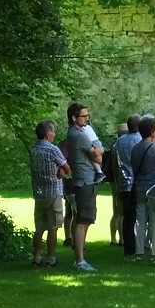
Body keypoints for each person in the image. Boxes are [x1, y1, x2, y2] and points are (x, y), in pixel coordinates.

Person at [64, 102, 103, 272]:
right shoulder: (79, 135)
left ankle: (79, 257)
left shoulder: (75, 133)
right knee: (83, 220)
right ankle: (80, 260)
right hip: (85, 181)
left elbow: (97, 153)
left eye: (87, 115)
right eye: (83, 116)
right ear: (74, 118)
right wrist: (98, 152)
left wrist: (98, 152)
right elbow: (98, 157)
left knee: (81, 218)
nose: (87, 119)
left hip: (83, 180)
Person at [30, 120, 70, 267]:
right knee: (53, 227)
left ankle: (37, 257)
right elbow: (66, 167)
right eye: (53, 132)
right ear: (48, 134)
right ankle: (51, 258)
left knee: (39, 228)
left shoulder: (33, 149)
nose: (54, 134)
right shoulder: (53, 149)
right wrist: (61, 171)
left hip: (38, 193)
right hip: (53, 192)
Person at [130, 115, 155, 263]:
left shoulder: (135, 149)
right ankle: (153, 252)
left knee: (140, 220)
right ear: (152, 131)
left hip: (139, 186)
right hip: (154, 189)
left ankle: (138, 252)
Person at [116, 114, 142, 257]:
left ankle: (128, 246)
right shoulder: (140, 140)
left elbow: (115, 163)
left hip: (124, 183)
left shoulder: (119, 142)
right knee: (140, 216)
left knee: (127, 217)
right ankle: (141, 246)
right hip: (137, 182)